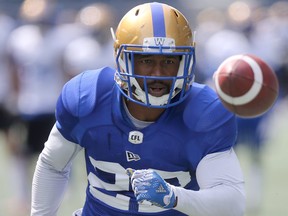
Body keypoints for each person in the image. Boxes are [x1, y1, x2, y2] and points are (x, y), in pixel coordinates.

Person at [31, 2, 246, 216]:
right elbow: (52, 165)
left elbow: (231, 203)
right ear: (123, 60)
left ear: (185, 61)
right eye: (146, 60)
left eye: (169, 60)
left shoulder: (204, 112)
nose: (158, 73)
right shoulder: (88, 97)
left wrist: (173, 197)